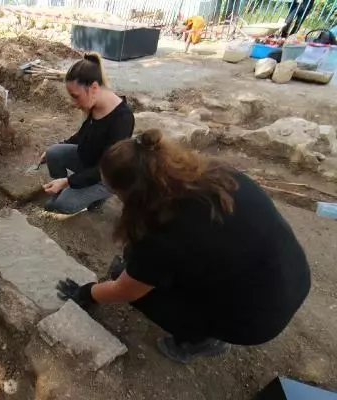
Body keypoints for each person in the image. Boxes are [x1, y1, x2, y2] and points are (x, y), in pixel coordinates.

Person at [57, 129, 311, 364]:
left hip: (258, 318)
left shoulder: (163, 231)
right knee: (136, 264)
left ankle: (203, 340)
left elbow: (126, 290)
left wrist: (87, 293)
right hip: (293, 276)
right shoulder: (217, 174)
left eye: (115, 192)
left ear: (133, 194)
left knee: (130, 284)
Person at [39, 53, 135, 214]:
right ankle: (68, 189)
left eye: (76, 97)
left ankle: (98, 196)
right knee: (53, 152)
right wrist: (60, 145)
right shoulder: (94, 104)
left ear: (94, 88)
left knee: (62, 205)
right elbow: (83, 134)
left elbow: (106, 168)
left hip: (106, 175)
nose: (73, 103)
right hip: (89, 161)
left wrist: (67, 181)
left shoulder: (122, 119)